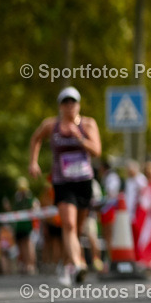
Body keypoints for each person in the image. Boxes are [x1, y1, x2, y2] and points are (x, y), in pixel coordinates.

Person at [29, 87, 102, 286]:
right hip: (62, 182)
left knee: (77, 230)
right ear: (60, 106)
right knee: (68, 225)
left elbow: (97, 150)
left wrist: (79, 138)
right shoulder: (51, 125)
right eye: (65, 102)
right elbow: (35, 139)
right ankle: (79, 265)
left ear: (78, 105)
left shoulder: (88, 124)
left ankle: (67, 263)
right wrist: (33, 162)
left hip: (84, 182)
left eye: (73, 102)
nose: (69, 106)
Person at [12, 177, 38, 275]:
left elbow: (35, 210)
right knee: (22, 246)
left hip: (27, 226)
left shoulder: (30, 199)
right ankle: (25, 264)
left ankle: (31, 265)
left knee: (28, 245)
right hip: (19, 227)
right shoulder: (17, 199)